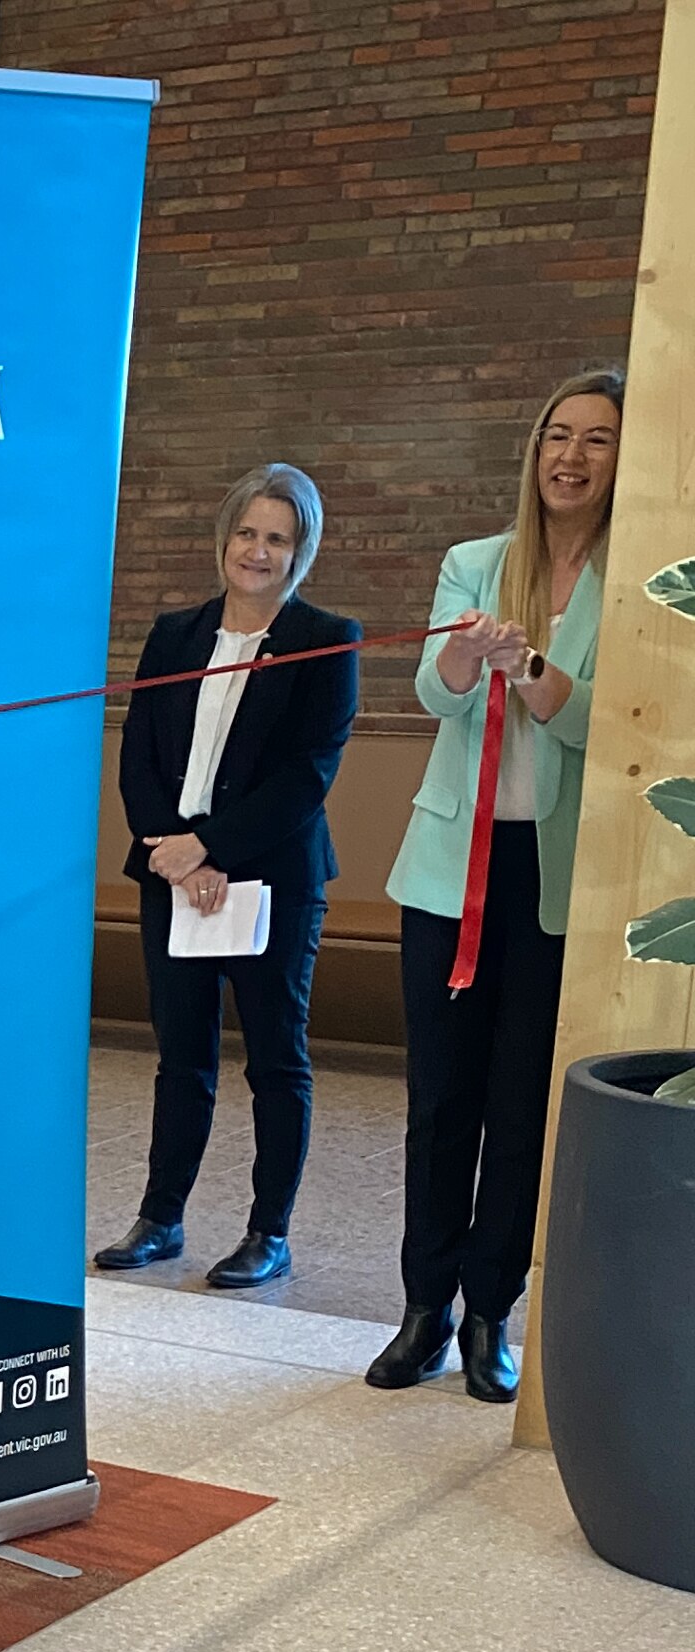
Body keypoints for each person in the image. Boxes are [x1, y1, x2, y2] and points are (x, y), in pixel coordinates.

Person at [370, 367, 622, 1401]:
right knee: (441, 1100)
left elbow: (606, 721)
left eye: (597, 439)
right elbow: (435, 693)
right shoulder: (474, 562)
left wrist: (535, 672)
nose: (571, 455)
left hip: (553, 877)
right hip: (449, 873)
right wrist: (473, 660)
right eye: (558, 435)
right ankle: (422, 1307)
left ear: (622, 459)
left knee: (520, 1108)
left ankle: (488, 1313)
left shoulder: (634, 580)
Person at [97, 463, 359, 1289]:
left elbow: (307, 774)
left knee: (276, 1059)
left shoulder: (327, 639)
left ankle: (267, 1232)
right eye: (247, 532)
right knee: (182, 1055)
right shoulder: (175, 633)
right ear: (225, 537)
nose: (258, 550)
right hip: (171, 874)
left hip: (271, 878)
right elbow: (139, 752)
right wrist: (172, 850)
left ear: (301, 551)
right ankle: (161, 1217)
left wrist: (211, 850)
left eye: (277, 538)